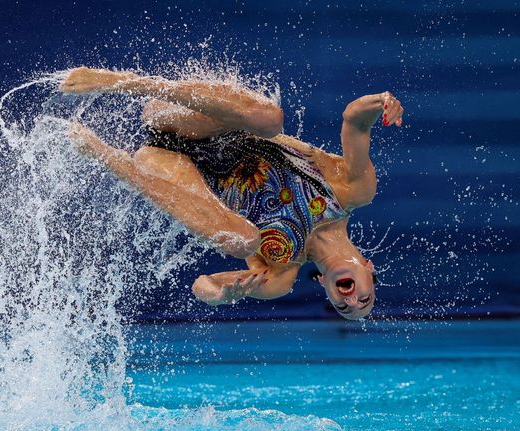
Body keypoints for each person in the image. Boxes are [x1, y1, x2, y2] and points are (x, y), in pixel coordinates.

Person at [59, 67, 404, 320]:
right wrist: (383, 103)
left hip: (167, 161)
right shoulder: (351, 192)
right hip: (195, 116)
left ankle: (107, 157)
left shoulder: (280, 275)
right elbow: (354, 120)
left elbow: (203, 285)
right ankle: (121, 81)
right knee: (270, 119)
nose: (351, 301)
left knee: (240, 241)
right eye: (365, 300)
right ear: (369, 270)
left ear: (327, 289)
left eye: (343, 307)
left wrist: (224, 295)